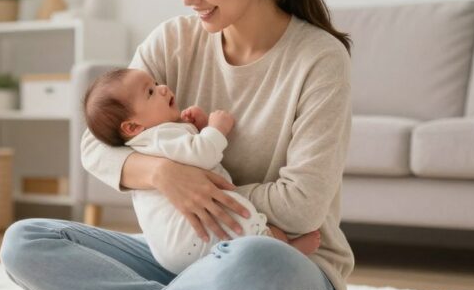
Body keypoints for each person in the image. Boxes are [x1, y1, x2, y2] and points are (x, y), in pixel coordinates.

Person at [0, 0, 353, 290]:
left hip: (287, 265)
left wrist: (204, 193)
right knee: (24, 241)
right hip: (183, 258)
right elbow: (97, 143)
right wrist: (165, 176)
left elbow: (302, 207)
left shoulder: (319, 59)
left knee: (250, 262)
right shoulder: (173, 40)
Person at [83, 66, 323, 275]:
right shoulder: (160, 136)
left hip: (171, 249)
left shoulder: (146, 143)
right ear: (133, 126)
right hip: (195, 235)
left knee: (225, 273)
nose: (163, 88)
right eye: (150, 92)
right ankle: (287, 253)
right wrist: (216, 128)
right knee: (262, 236)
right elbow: (203, 154)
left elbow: (187, 156)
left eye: (155, 84)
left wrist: (191, 127)